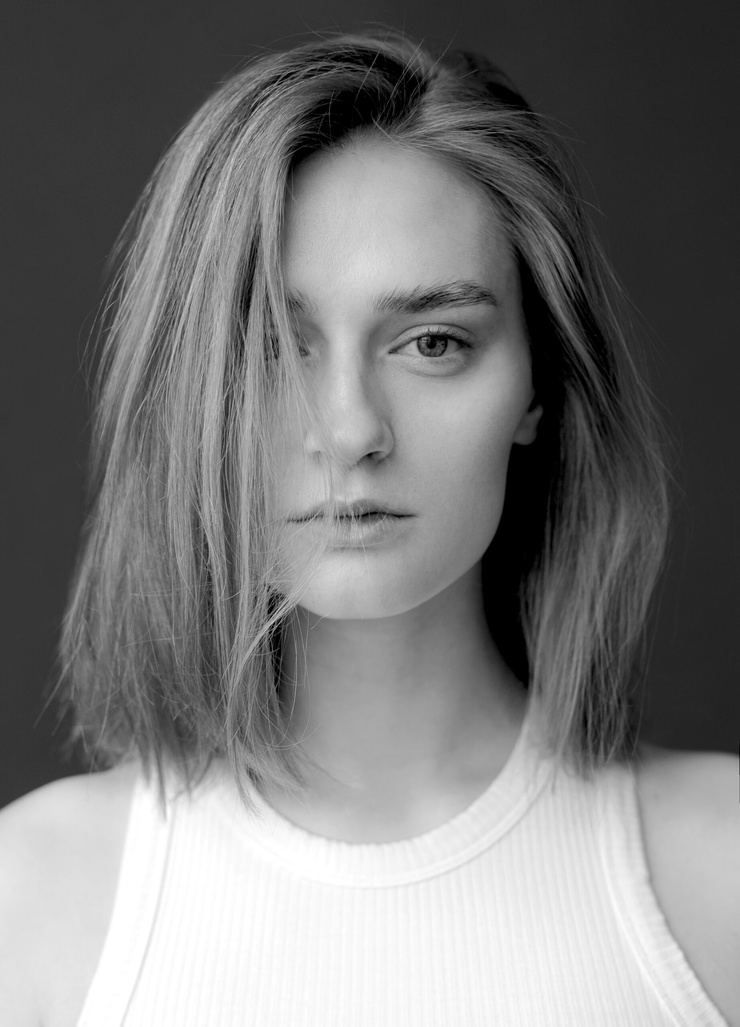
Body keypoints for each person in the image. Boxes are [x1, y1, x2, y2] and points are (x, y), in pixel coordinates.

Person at [0, 29, 737, 1027]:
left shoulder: (718, 879)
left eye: (432, 342)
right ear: (185, 393)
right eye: (270, 345)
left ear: (540, 386)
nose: (349, 430)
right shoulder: (31, 905)